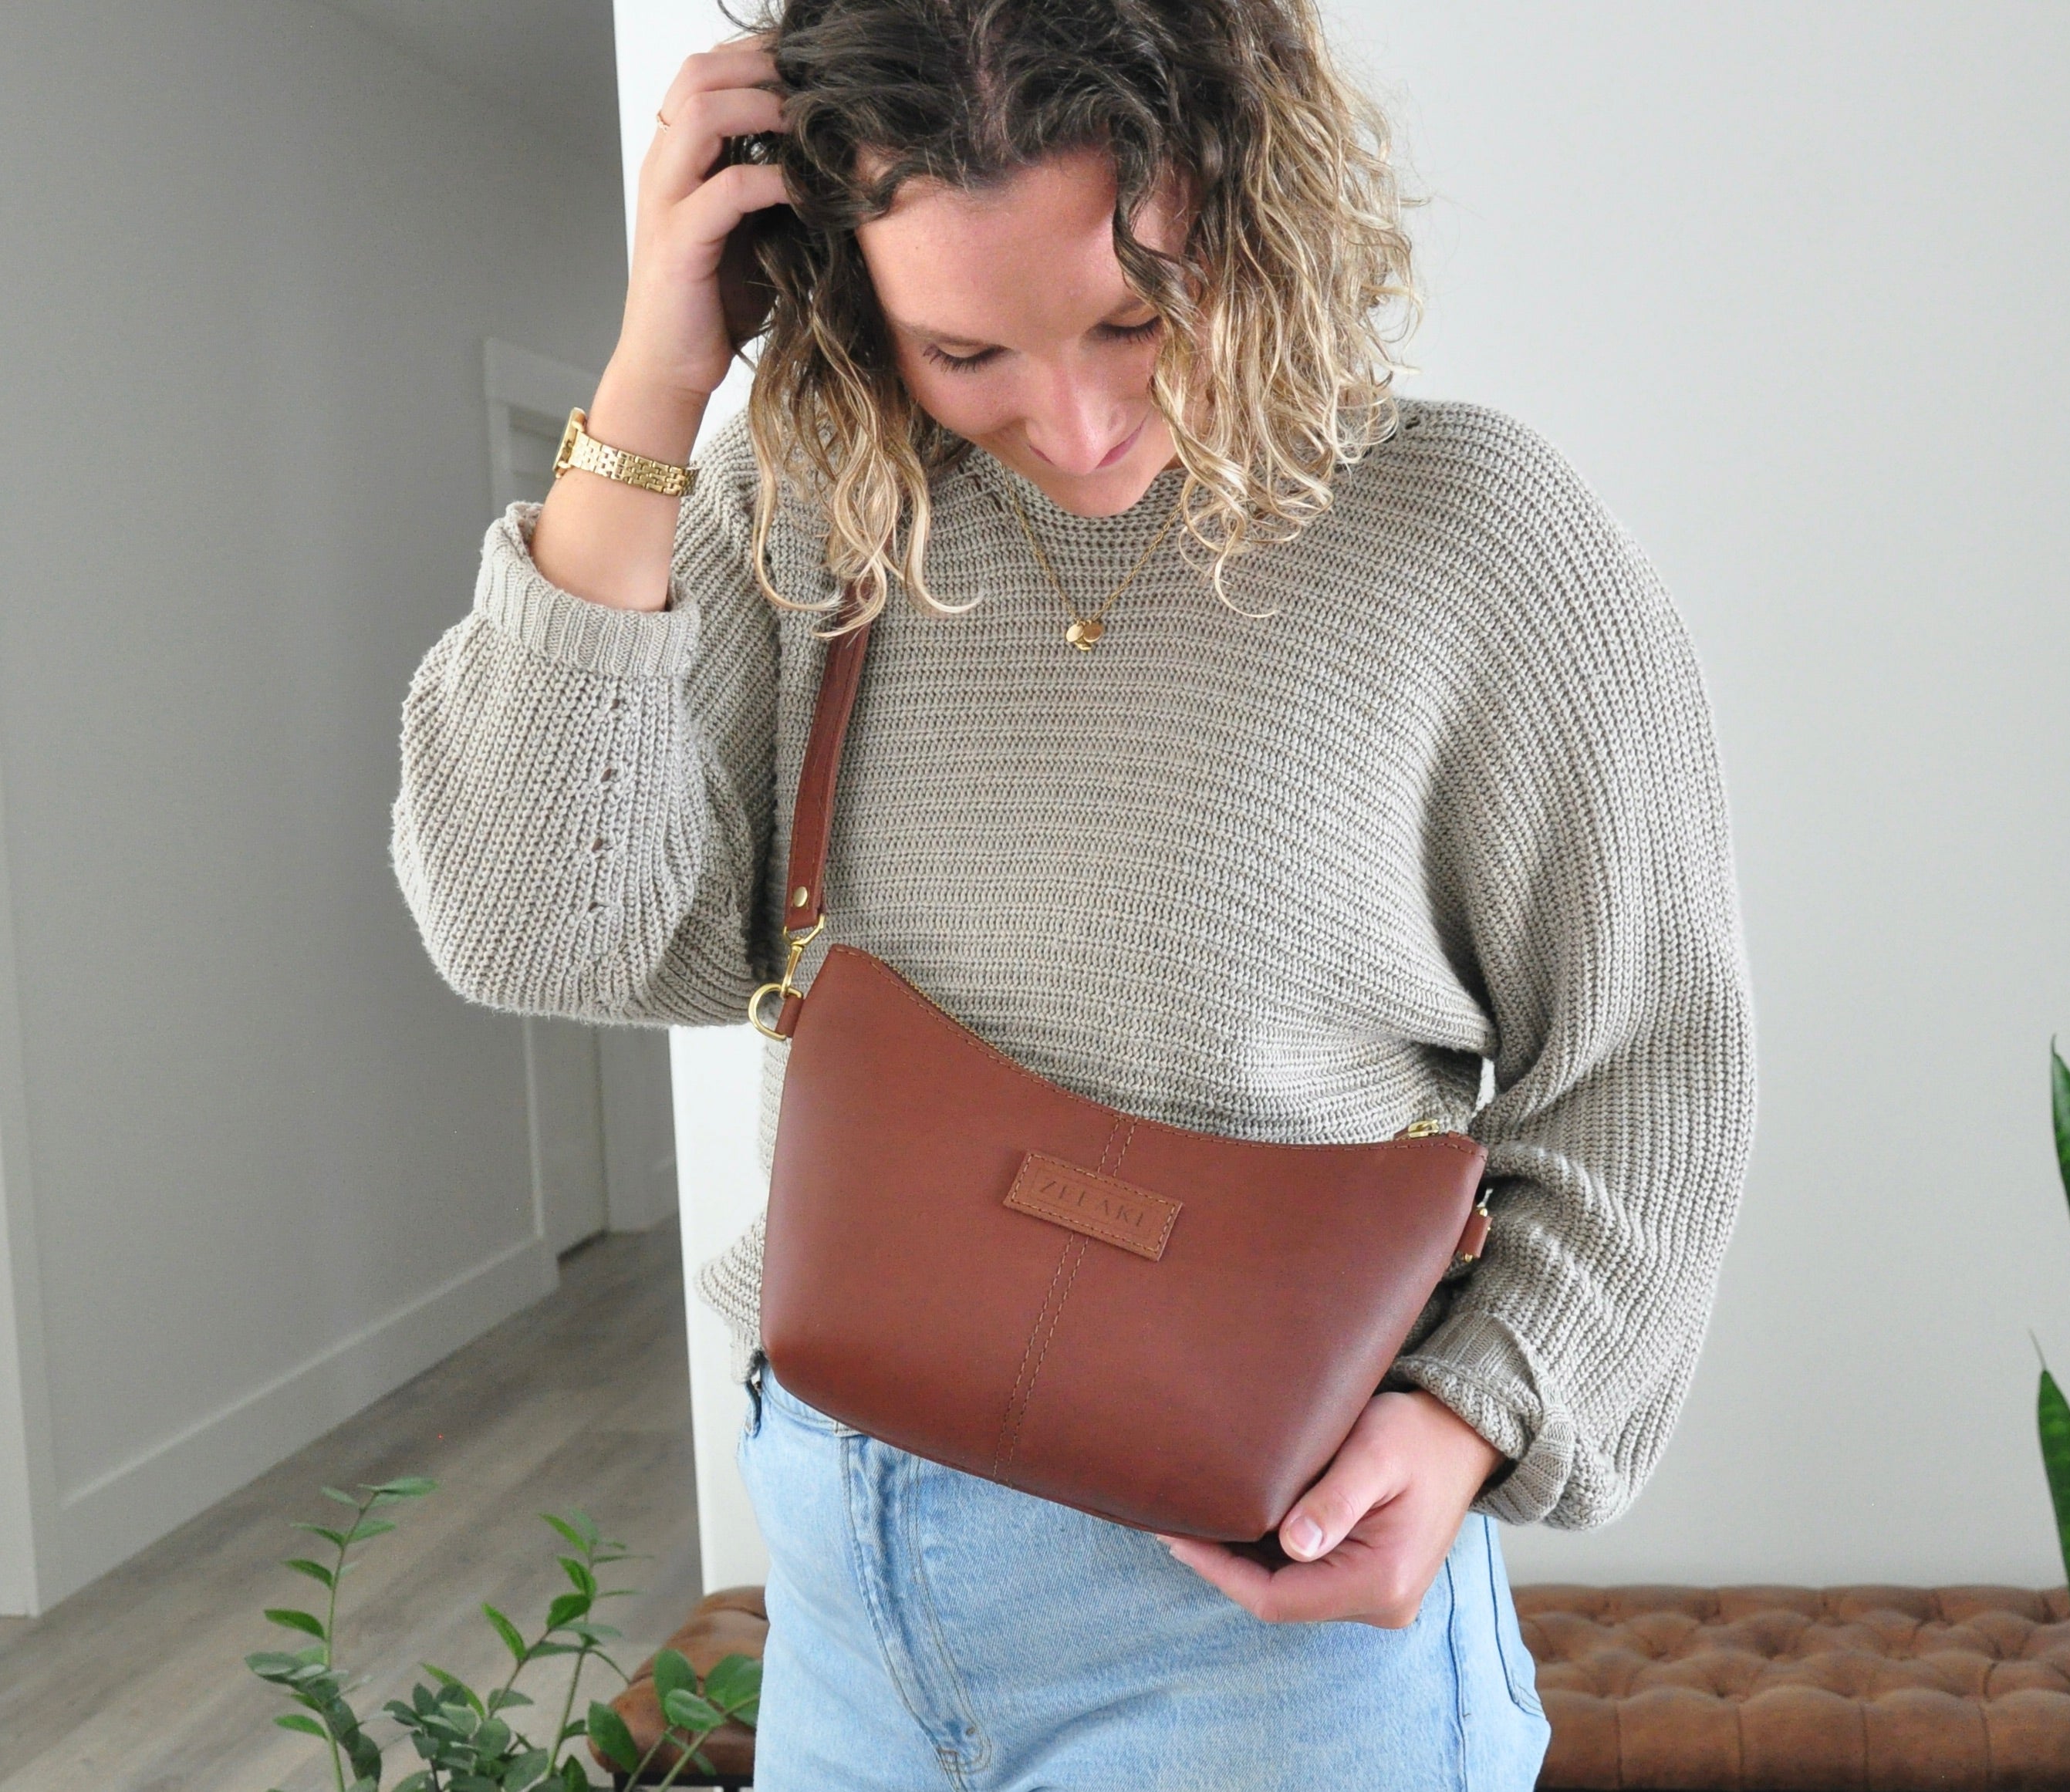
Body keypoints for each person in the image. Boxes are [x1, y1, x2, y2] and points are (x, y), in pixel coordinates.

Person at [390, 2, 1756, 1785]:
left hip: (1249, 1626)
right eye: (966, 348)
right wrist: (659, 380)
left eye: (1138, 314)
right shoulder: (810, 510)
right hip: (845, 1585)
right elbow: (528, 920)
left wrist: (1473, 1417)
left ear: (1247, 202)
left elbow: (1652, 1070)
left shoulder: (1467, 536)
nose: (1086, 422)